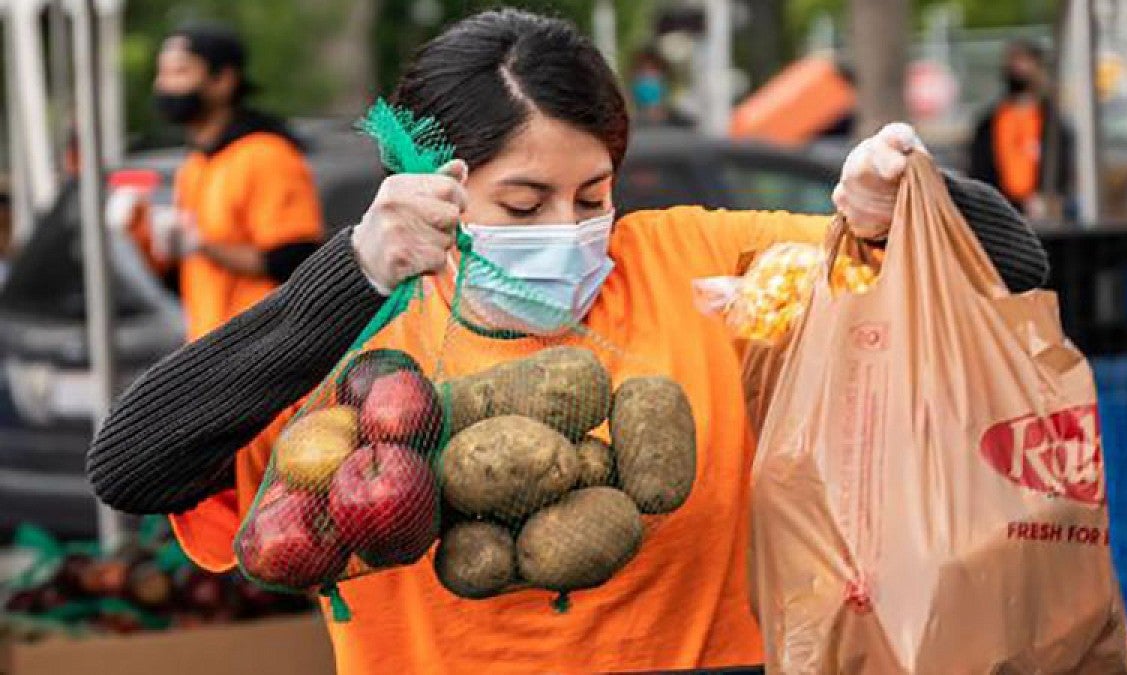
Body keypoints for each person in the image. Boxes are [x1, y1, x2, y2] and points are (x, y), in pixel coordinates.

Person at [89, 10, 1049, 674]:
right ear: (438, 187)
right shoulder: (359, 346)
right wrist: (354, 274)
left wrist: (909, 197)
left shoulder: (694, 262)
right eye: (522, 202)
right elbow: (131, 464)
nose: (569, 226)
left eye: (593, 195)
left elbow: (1011, 269)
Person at [108, 23, 323, 340]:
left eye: (179, 72)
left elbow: (294, 258)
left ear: (223, 80)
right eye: (163, 73)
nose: (164, 85)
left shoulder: (267, 153)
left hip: (264, 347)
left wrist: (204, 247)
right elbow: (181, 280)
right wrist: (141, 231)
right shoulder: (195, 166)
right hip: (210, 349)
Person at [968, 39, 1074, 219]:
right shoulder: (990, 122)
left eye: (1025, 62)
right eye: (1014, 61)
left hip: (1042, 210)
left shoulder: (1052, 123)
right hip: (1001, 211)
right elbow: (980, 167)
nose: (1019, 69)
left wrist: (1052, 198)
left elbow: (1062, 164)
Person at [629, 47, 693, 127]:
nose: (649, 73)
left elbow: (662, 96)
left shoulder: (658, 80)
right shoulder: (639, 80)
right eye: (646, 69)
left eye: (652, 69)